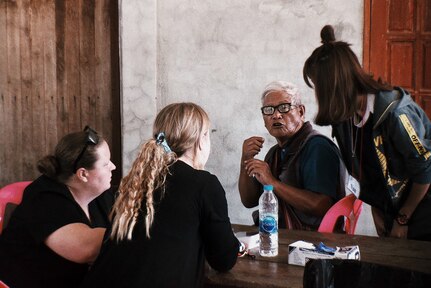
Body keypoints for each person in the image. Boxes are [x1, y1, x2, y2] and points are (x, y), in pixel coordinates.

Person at [81, 102, 239, 288]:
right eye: (208, 134)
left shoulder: (136, 180)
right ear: (201, 140)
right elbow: (224, 259)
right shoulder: (204, 184)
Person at [303, 25, 431, 241]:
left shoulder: (395, 114)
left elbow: (425, 171)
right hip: (391, 211)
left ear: (334, 86)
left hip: (422, 210)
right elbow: (368, 171)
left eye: (318, 87)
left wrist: (402, 219)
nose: (318, 95)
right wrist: (378, 209)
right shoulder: (344, 117)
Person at [0, 126, 116, 288]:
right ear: (83, 174)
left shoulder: (100, 193)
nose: (113, 166)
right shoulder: (43, 199)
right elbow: (87, 249)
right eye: (105, 164)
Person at [238, 81, 344, 231]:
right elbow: (249, 201)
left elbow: (322, 206)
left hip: (312, 241)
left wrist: (272, 182)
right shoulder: (275, 153)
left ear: (301, 112)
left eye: (284, 107)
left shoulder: (317, 147)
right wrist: (245, 160)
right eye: (269, 110)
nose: (276, 115)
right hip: (276, 234)